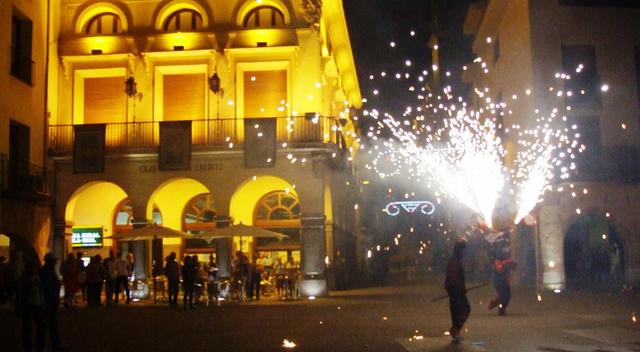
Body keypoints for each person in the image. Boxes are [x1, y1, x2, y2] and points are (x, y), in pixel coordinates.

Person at [16, 258, 45, 352]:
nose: (36, 269)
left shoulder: (36, 277)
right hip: (28, 305)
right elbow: (20, 294)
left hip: (37, 304)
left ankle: (36, 346)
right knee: (28, 327)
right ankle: (29, 346)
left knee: (36, 326)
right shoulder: (24, 279)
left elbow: (40, 290)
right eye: (34, 267)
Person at [445, 241, 470, 345]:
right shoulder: (454, 261)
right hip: (455, 291)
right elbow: (454, 278)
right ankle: (455, 331)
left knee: (458, 312)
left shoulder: (456, 260)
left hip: (456, 290)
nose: (465, 252)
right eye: (464, 250)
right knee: (463, 309)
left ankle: (455, 332)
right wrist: (460, 289)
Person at [40, 253, 65, 351]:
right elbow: (46, 287)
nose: (55, 262)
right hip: (48, 301)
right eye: (54, 261)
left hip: (52, 300)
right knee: (45, 324)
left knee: (52, 323)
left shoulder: (49, 270)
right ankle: (43, 345)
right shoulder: (46, 272)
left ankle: (54, 343)